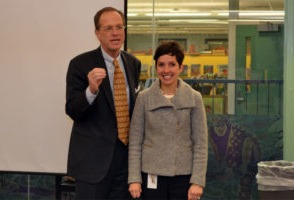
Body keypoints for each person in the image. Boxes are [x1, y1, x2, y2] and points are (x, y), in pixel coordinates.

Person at [65, 7, 141, 200]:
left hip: (125, 162)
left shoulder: (133, 63)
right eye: (108, 28)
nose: (115, 33)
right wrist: (91, 90)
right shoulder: (80, 64)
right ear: (97, 33)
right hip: (93, 164)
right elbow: (72, 109)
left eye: (119, 27)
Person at [128, 41, 208, 200]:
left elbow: (200, 144)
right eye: (161, 65)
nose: (166, 70)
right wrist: (134, 179)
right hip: (151, 174)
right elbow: (135, 142)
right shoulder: (144, 98)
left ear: (180, 67)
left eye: (172, 64)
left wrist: (198, 181)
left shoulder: (194, 98)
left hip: (183, 175)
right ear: (156, 67)